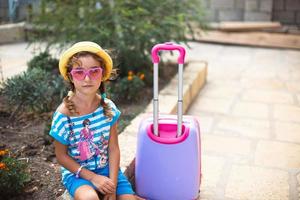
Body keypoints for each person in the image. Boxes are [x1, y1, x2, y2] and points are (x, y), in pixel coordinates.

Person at [49, 41, 141, 200]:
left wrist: (111, 185)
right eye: (79, 72)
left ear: (103, 74)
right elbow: (61, 156)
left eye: (94, 71)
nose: (87, 78)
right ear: (71, 76)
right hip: (78, 175)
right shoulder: (63, 115)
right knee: (89, 198)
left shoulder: (108, 108)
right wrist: (92, 178)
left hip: (108, 170)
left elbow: (113, 149)